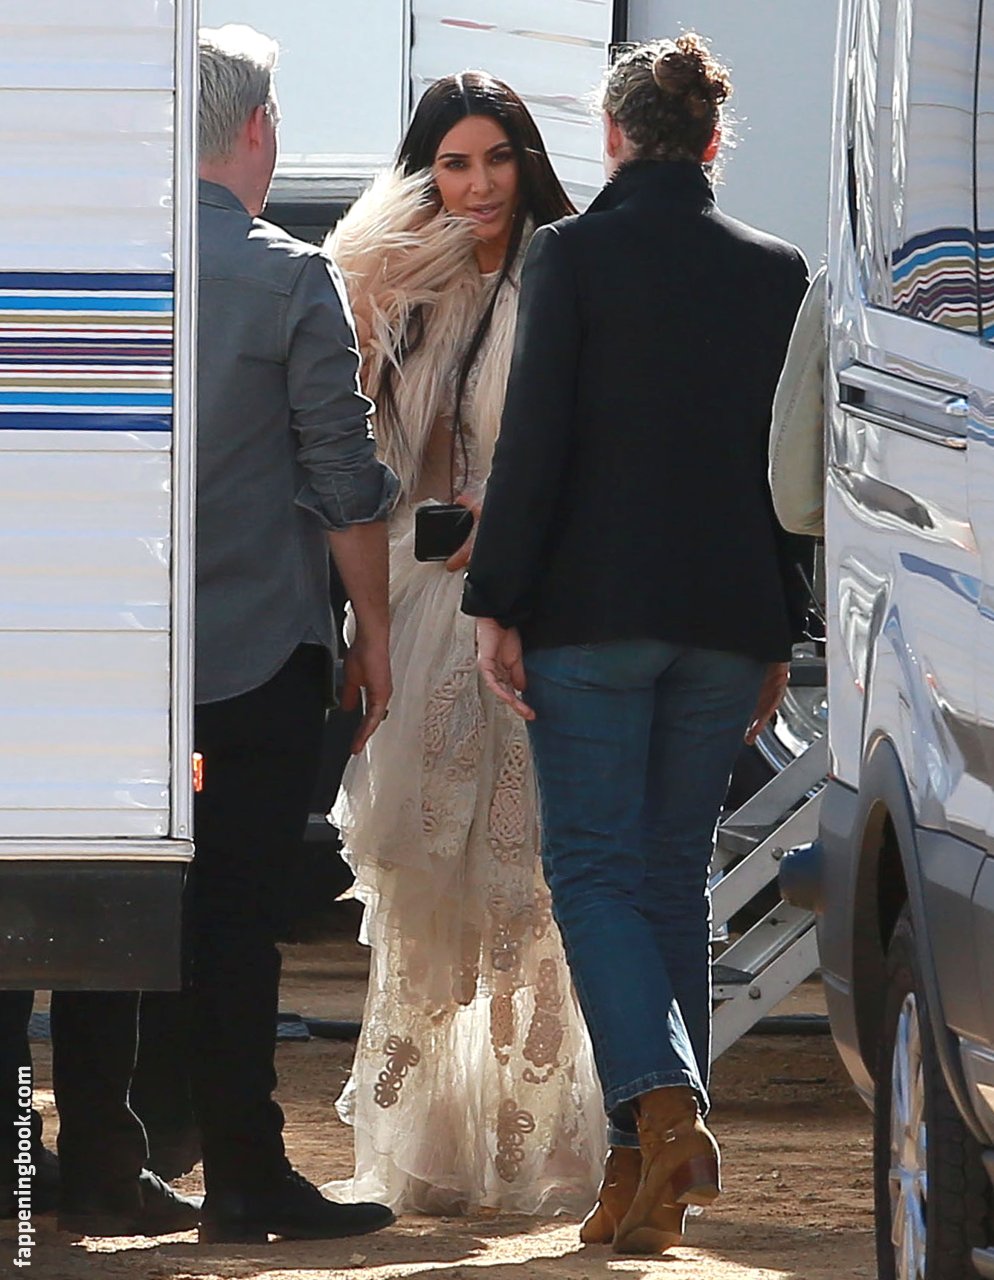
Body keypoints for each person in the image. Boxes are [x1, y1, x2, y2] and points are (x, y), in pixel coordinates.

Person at [48, 24, 399, 1245]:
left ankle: (97, 1162)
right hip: (248, 655)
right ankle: (245, 1173)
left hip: (86, 658)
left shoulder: (74, 267)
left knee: (88, 909)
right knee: (232, 918)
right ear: (259, 129)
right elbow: (343, 479)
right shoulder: (290, 278)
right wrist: (375, 633)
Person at [462, 34, 811, 1255]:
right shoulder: (775, 269)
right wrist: (779, 624)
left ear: (611, 136)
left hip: (591, 614)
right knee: (669, 880)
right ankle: (642, 1175)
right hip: (725, 618)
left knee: (596, 873)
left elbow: (535, 442)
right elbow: (787, 473)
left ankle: (665, 1106)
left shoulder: (569, 254)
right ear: (712, 140)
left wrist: (496, 599)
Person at [326, 72, 606, 1215]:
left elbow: (593, 444)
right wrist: (373, 286)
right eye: (452, 163)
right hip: (406, 590)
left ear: (528, 162)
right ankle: (427, 1143)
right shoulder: (398, 282)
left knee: (525, 874)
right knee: (412, 859)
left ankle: (534, 1145)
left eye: (496, 158)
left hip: (530, 595)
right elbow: (342, 434)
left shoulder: (564, 273)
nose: (478, 184)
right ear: (424, 173)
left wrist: (514, 519)